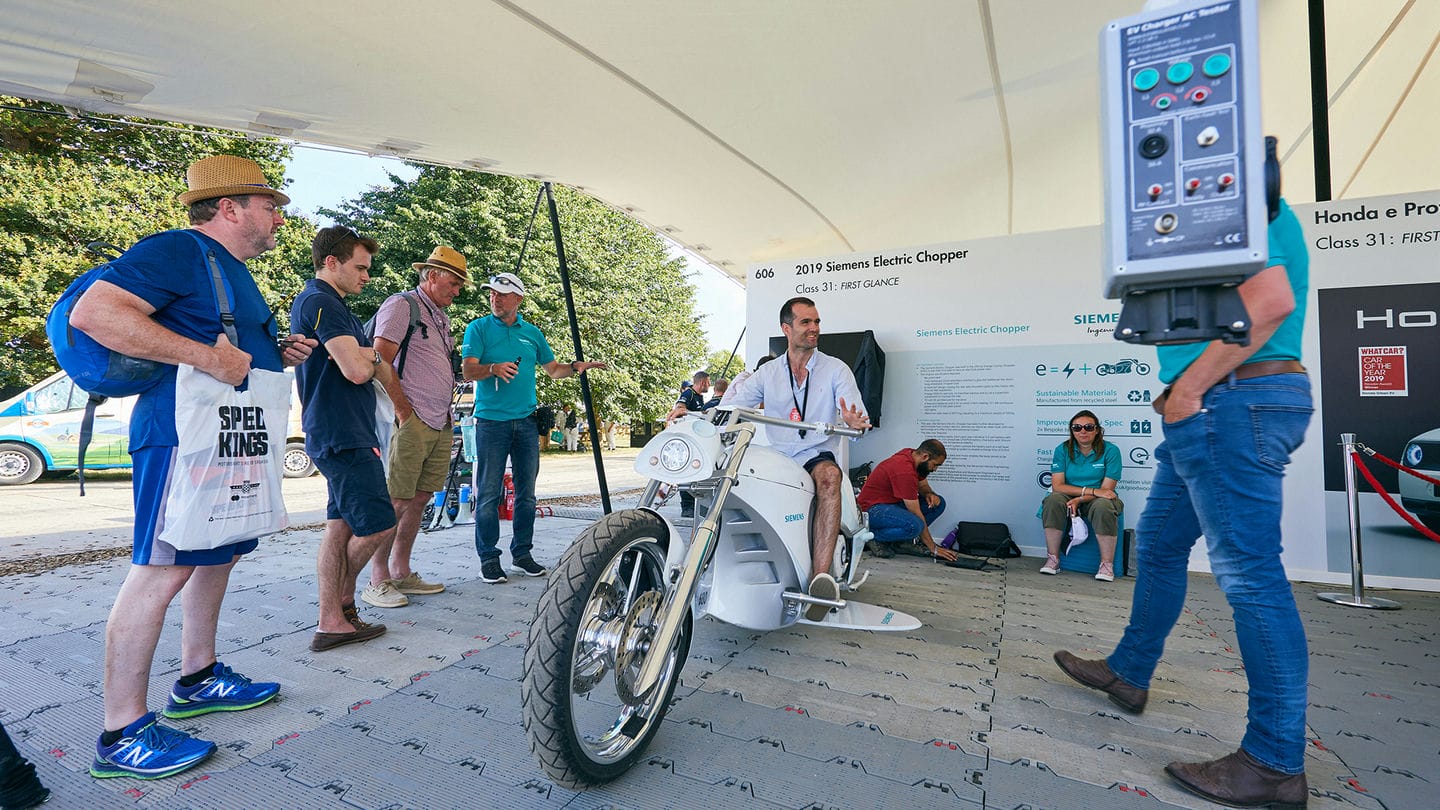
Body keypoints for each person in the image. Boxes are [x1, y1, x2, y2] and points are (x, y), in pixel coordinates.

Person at [1054, 198, 1314, 809]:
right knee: (1164, 546)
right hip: (1211, 404)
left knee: (1250, 577)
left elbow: (1269, 303)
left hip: (1232, 400)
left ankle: (1274, 763)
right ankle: (1130, 670)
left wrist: (1192, 385)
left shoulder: (1243, 194)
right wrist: (1181, 389)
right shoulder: (1217, 204)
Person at [70, 155, 314, 779]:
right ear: (230, 208)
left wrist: (272, 350)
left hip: (225, 438)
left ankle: (197, 677)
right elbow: (95, 315)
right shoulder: (179, 250)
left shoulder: (227, 269)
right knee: (161, 569)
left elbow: (228, 345)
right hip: (182, 436)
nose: (281, 217)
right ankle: (121, 731)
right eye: (271, 205)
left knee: (218, 552)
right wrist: (208, 357)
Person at [725, 297, 870, 620]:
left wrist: (853, 421)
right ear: (786, 328)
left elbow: (858, 415)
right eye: (806, 322)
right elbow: (732, 406)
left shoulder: (835, 369)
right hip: (776, 457)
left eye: (817, 322)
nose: (815, 328)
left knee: (830, 477)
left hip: (813, 453)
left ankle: (821, 581)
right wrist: (691, 412)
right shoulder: (767, 373)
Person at [461, 272, 606, 584]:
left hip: (526, 423)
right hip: (490, 422)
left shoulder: (533, 334)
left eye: (502, 294)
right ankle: (488, 558)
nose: (495, 298)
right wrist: (492, 368)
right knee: (488, 493)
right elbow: (467, 370)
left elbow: (553, 371)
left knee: (527, 495)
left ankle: (522, 555)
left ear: (518, 298)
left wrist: (576, 368)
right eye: (492, 293)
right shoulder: (479, 328)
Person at [291, 226, 398, 652]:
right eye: (360, 267)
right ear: (331, 262)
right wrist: (371, 355)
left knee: (339, 529)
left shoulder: (329, 304)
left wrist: (367, 356)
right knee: (378, 525)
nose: (367, 276)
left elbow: (366, 365)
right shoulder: (321, 302)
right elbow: (357, 369)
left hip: (338, 428)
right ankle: (336, 604)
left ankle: (335, 618)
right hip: (343, 432)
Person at [360, 246, 468, 610]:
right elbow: (379, 359)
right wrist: (403, 410)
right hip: (412, 419)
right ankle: (377, 581)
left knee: (420, 500)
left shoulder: (438, 316)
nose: (457, 291)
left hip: (439, 420)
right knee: (397, 500)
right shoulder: (402, 305)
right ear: (432, 275)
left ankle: (401, 570)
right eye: (453, 283)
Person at [1038, 410, 1123, 581]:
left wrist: (1080, 499)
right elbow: (1058, 486)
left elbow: (1106, 491)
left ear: (1097, 430)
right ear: (1072, 431)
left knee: (1104, 506)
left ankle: (1107, 565)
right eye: (1077, 428)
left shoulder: (1111, 451)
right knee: (1053, 500)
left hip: (1097, 500)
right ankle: (1053, 559)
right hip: (1071, 494)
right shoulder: (1062, 449)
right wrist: (1089, 491)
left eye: (1088, 427)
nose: (1082, 431)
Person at [856, 440, 957, 561]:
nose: (935, 469)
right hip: (871, 510)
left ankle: (901, 542)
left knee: (938, 504)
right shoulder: (904, 470)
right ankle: (872, 537)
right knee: (915, 526)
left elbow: (923, 485)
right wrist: (933, 547)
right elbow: (915, 512)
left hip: (890, 504)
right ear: (925, 457)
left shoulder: (912, 456)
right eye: (935, 465)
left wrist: (929, 494)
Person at [666, 370, 712, 518]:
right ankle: (686, 507)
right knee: (685, 475)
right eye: (708, 382)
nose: (709, 385)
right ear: (703, 382)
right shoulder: (689, 394)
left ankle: (696, 505)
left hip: (696, 439)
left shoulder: (699, 397)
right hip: (687, 440)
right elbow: (679, 408)